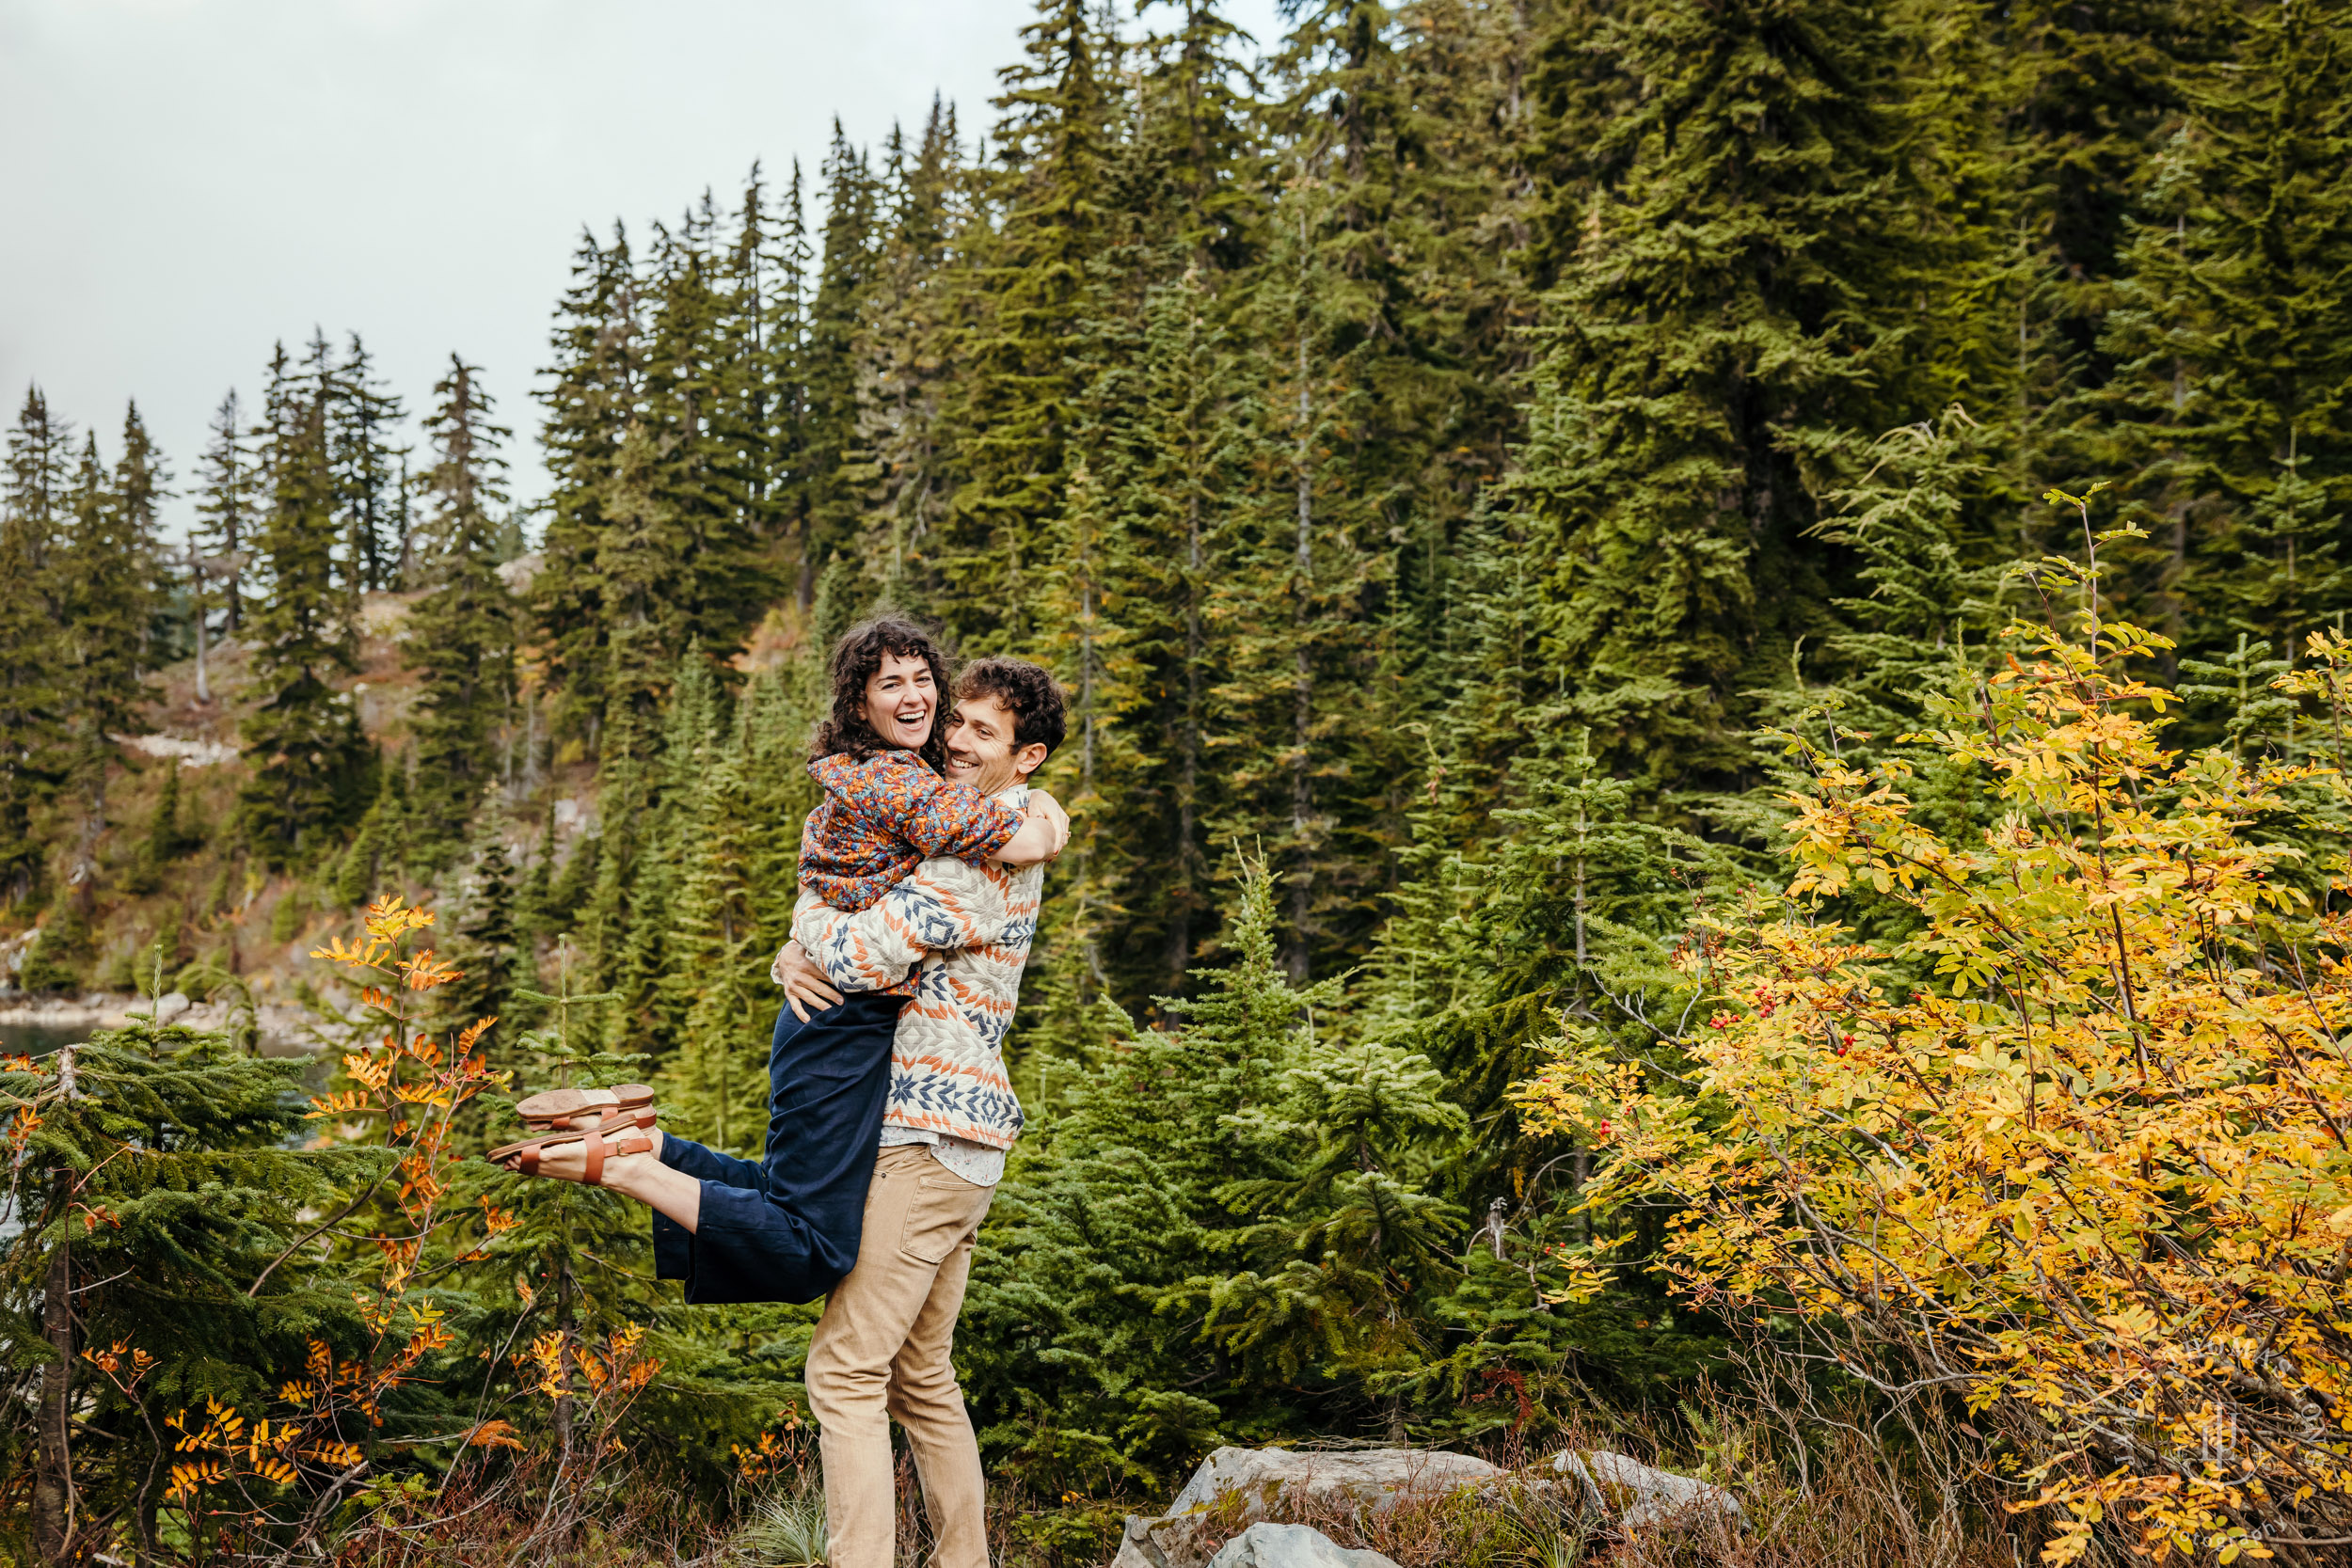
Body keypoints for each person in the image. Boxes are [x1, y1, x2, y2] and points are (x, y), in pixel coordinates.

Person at [490, 618, 1066, 1310]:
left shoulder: (896, 776)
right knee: (812, 1249)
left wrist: (797, 942)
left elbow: (832, 888)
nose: (922, 705)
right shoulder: (902, 783)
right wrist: (1046, 818)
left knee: (779, 1192)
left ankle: (646, 1141)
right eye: (892, 684)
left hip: (834, 1022)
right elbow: (1006, 845)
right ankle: (628, 1165)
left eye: (924, 682)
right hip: (844, 1019)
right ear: (860, 703)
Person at [769, 654, 1065, 1568]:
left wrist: (800, 943)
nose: (956, 740)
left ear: (1028, 757)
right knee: (920, 1375)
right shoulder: (995, 826)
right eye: (956, 722)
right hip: (963, 1142)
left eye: (985, 731)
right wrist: (800, 939)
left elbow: (865, 957)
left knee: (845, 1370)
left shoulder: (982, 845)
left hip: (924, 1137)